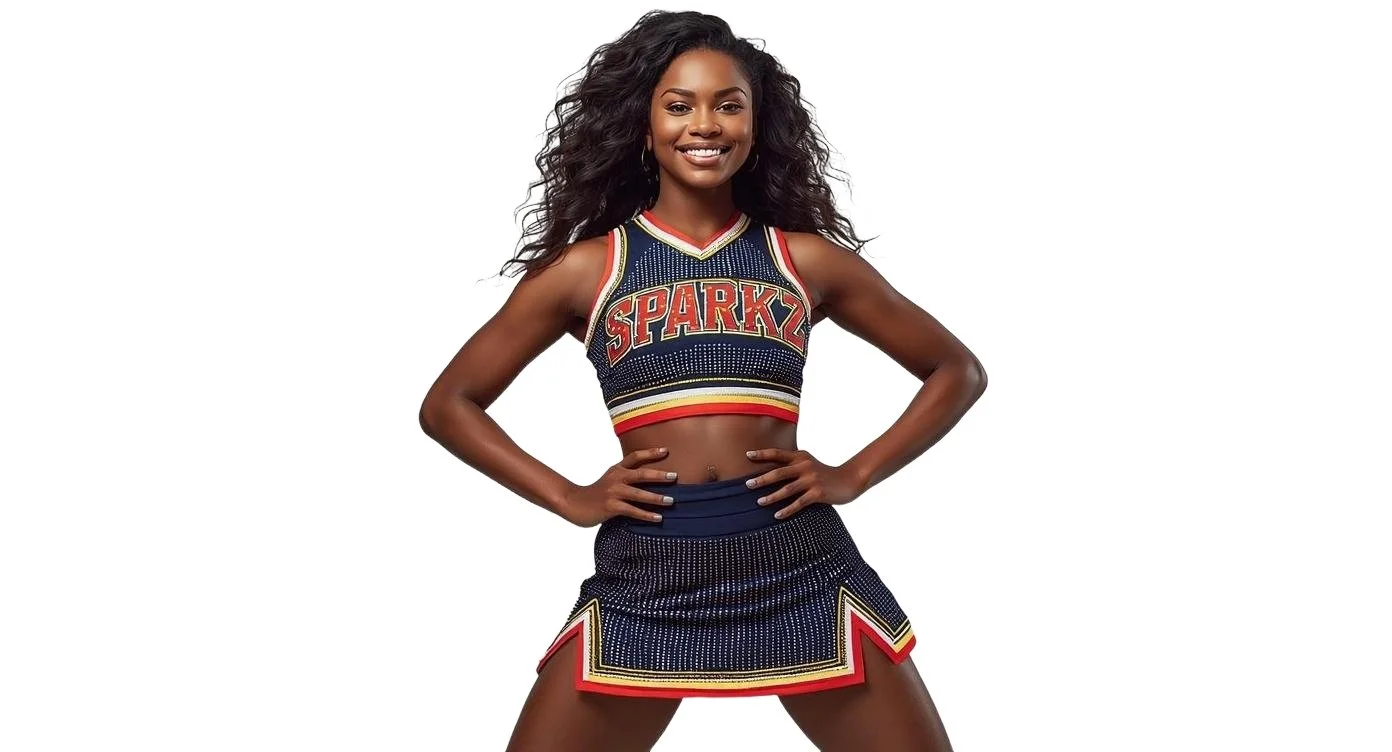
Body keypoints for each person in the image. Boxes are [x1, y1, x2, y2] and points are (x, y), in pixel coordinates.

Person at [419, 10, 986, 751]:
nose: (704, 124)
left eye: (728, 103)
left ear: (757, 123)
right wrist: (569, 496)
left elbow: (956, 370)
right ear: (643, 123)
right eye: (678, 104)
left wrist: (854, 474)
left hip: (798, 563)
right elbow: (449, 404)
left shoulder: (804, 261)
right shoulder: (588, 270)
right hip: (648, 569)